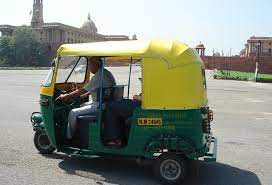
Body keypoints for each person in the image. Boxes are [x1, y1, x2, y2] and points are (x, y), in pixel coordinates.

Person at [56, 57, 116, 139]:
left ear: (96, 65)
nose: (89, 67)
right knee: (82, 105)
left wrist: (66, 96)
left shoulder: (98, 76)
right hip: (106, 103)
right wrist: (88, 93)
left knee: (72, 112)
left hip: (100, 105)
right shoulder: (106, 73)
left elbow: (82, 90)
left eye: (90, 65)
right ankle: (80, 131)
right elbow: (100, 88)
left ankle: (69, 138)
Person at [104, 78, 142, 146]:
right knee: (120, 103)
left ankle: (114, 139)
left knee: (111, 106)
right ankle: (120, 136)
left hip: (141, 106)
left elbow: (144, 99)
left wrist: (135, 96)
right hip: (140, 104)